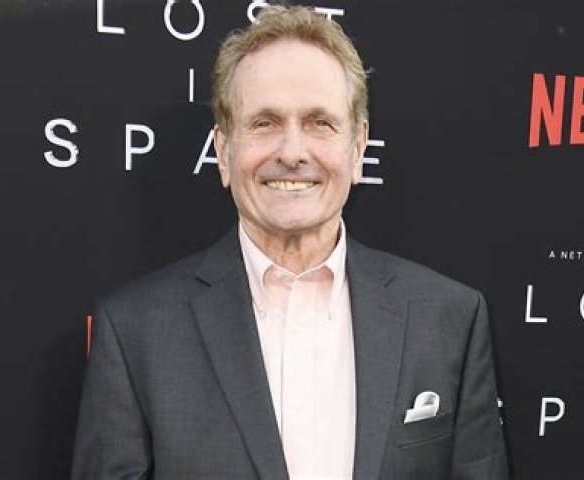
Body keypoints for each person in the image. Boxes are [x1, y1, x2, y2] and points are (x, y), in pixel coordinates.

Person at [72, 6, 509, 479]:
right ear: (223, 151)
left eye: (320, 122)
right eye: (265, 123)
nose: (293, 152)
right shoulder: (136, 333)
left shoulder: (449, 320)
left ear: (358, 147)